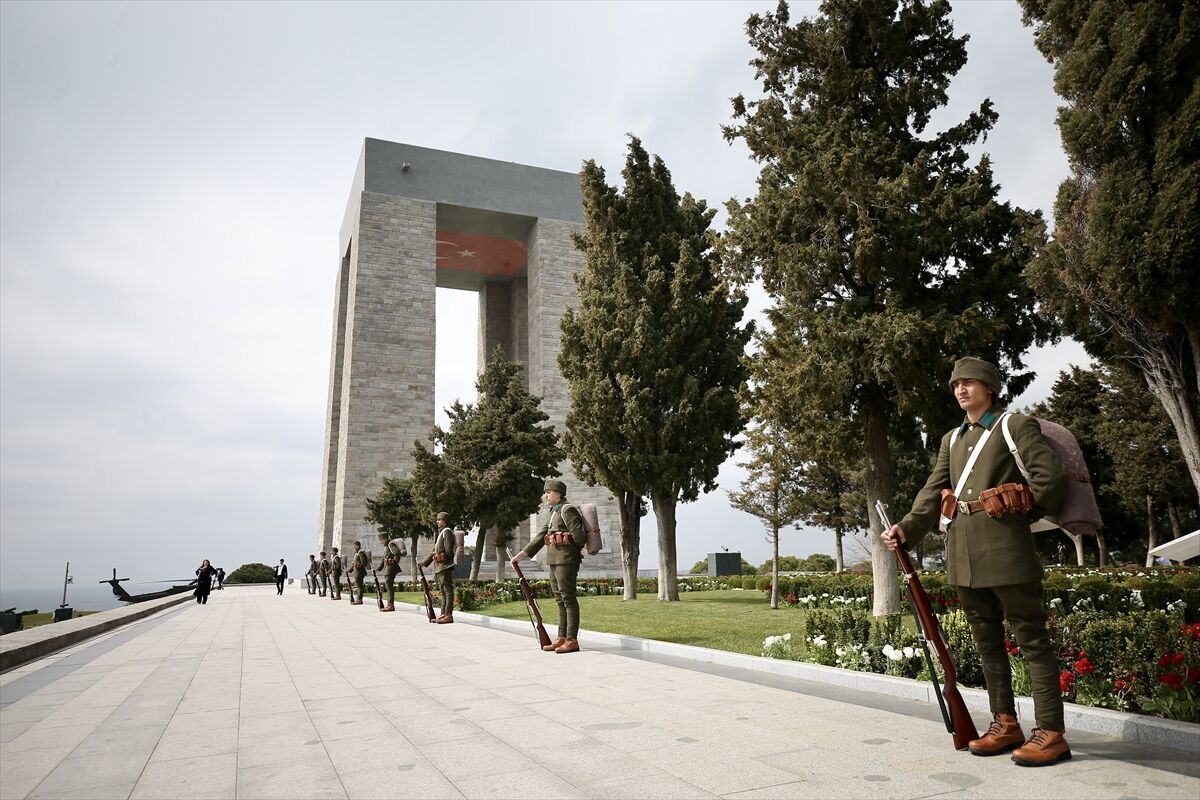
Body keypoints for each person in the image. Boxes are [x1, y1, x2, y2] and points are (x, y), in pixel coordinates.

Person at [881, 357, 1070, 767]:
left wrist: (1023, 513)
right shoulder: (951, 439)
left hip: (1007, 548)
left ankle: (1051, 732)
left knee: (1032, 639)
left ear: (989, 387)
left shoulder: (1013, 425)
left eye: (969, 382)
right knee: (987, 642)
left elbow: (1050, 478)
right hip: (963, 553)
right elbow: (933, 491)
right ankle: (1005, 724)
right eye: (956, 385)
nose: (961, 390)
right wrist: (907, 528)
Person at [511, 479, 585, 654]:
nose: (545, 496)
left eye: (548, 492)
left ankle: (572, 640)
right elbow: (541, 536)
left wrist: (565, 545)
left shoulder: (567, 510)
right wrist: (522, 555)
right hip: (554, 561)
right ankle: (562, 638)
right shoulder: (554, 512)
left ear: (558, 493)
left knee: (568, 599)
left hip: (566, 561)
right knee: (560, 599)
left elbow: (580, 538)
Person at [420, 512, 456, 623]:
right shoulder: (441, 532)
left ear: (445, 521)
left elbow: (449, 550)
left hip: (444, 565)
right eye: (437, 520)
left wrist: (445, 559)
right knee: (443, 591)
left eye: (439, 520)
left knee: (448, 591)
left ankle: (448, 614)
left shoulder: (447, 532)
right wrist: (424, 562)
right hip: (440, 566)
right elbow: (434, 551)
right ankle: (443, 614)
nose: (437, 522)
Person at [376, 532, 405, 612]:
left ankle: (390, 605)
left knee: (389, 587)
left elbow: (396, 553)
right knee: (388, 586)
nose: (380, 542)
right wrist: (378, 568)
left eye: (381, 540)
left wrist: (394, 561)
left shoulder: (390, 545)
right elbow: (384, 558)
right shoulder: (386, 546)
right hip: (387, 568)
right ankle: (389, 604)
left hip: (390, 568)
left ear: (385, 539)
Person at [349, 541, 368, 605]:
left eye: (355, 545)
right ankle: (358, 598)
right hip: (356, 572)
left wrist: (359, 565)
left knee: (359, 586)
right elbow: (354, 563)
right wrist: (350, 570)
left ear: (359, 546)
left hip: (359, 572)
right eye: (354, 545)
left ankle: (359, 599)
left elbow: (364, 562)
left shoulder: (361, 552)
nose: (354, 547)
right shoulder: (356, 553)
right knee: (358, 586)